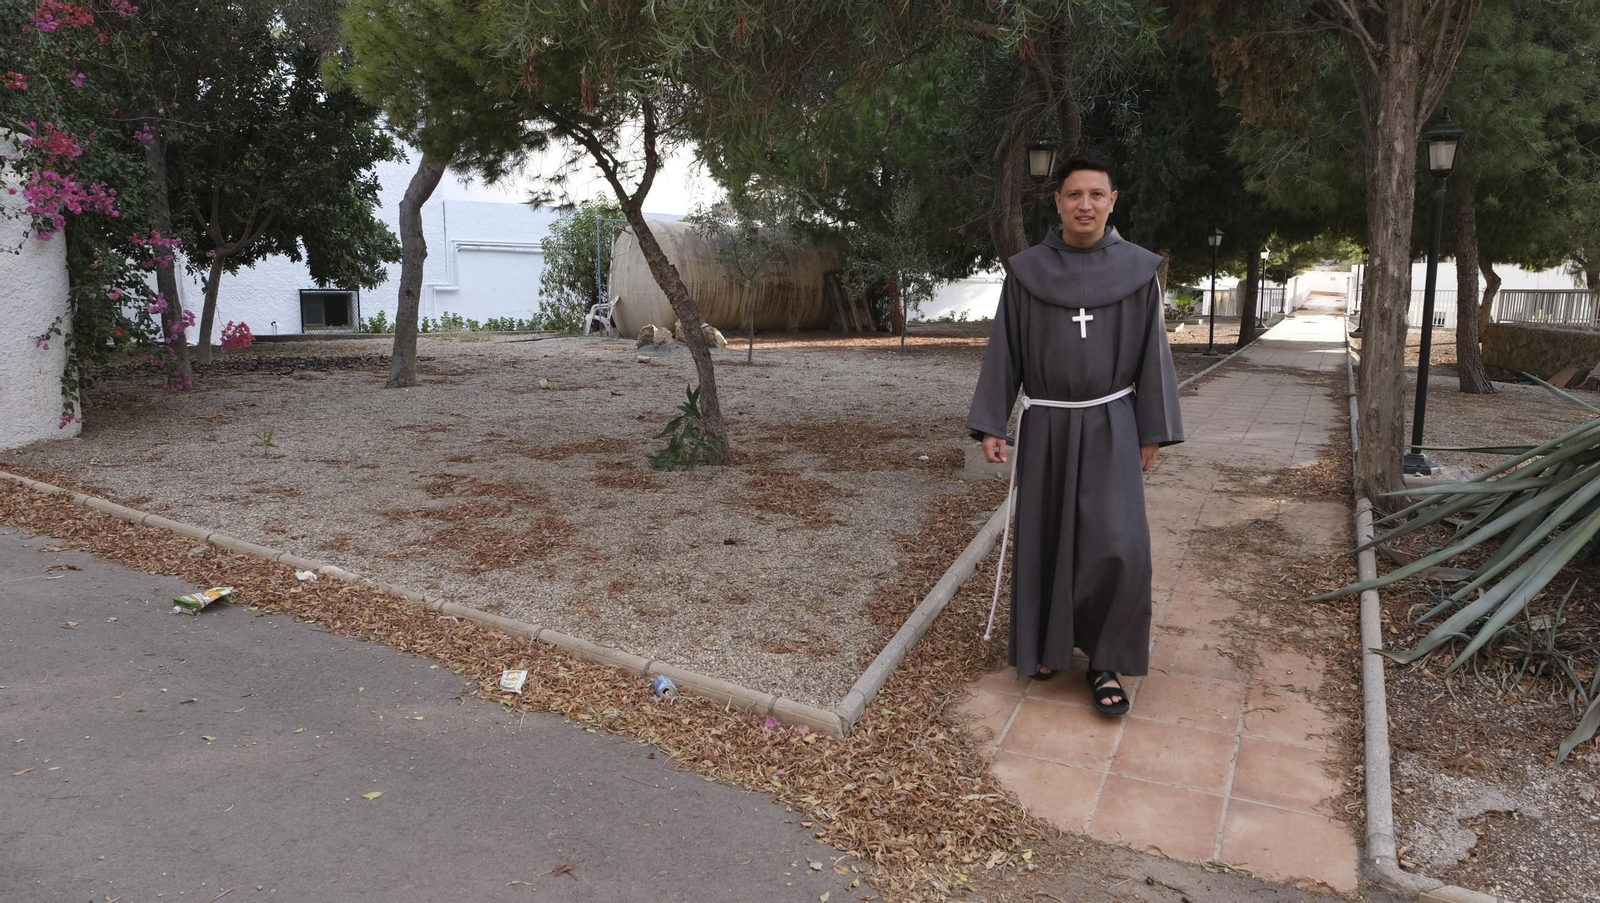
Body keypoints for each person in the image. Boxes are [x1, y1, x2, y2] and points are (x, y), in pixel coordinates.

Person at [966, 152, 1183, 716]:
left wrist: (1151, 431)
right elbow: (1005, 347)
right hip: (1047, 423)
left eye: (1096, 194)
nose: (1084, 204)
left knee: (1118, 543)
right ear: (1058, 202)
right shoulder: (1027, 271)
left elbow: (1153, 357)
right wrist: (992, 419)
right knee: (1048, 535)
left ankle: (1106, 660)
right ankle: (1046, 645)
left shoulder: (1138, 271)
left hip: (1113, 420)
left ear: (1113, 201)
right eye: (1073, 195)